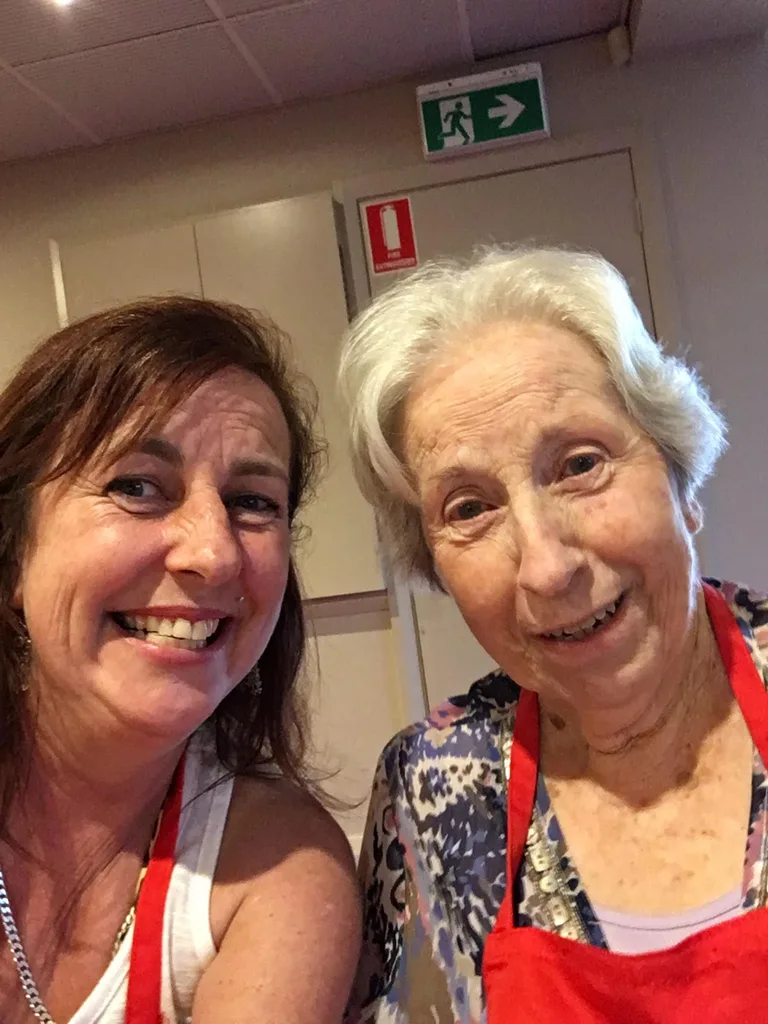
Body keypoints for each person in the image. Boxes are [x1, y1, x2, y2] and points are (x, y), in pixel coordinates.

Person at [338, 246, 768, 1023]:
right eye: (469, 508)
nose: (545, 566)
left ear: (681, 478)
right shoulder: (433, 785)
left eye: (579, 464)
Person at [0, 296, 360, 1023]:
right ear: (13, 550)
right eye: (136, 486)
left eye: (253, 502)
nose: (214, 552)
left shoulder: (280, 870)